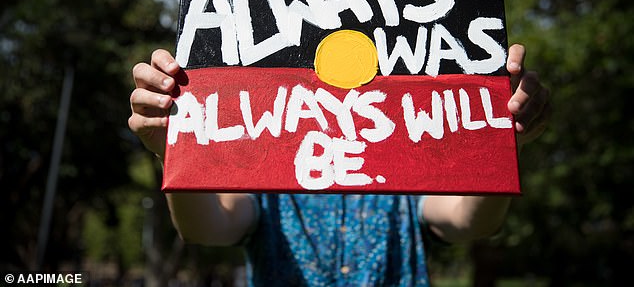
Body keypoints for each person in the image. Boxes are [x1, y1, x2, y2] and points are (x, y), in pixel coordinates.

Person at [128, 44, 550, 286]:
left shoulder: (406, 162)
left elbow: (468, 222)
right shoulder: (265, 169)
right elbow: (205, 227)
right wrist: (175, 152)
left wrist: (499, 144)